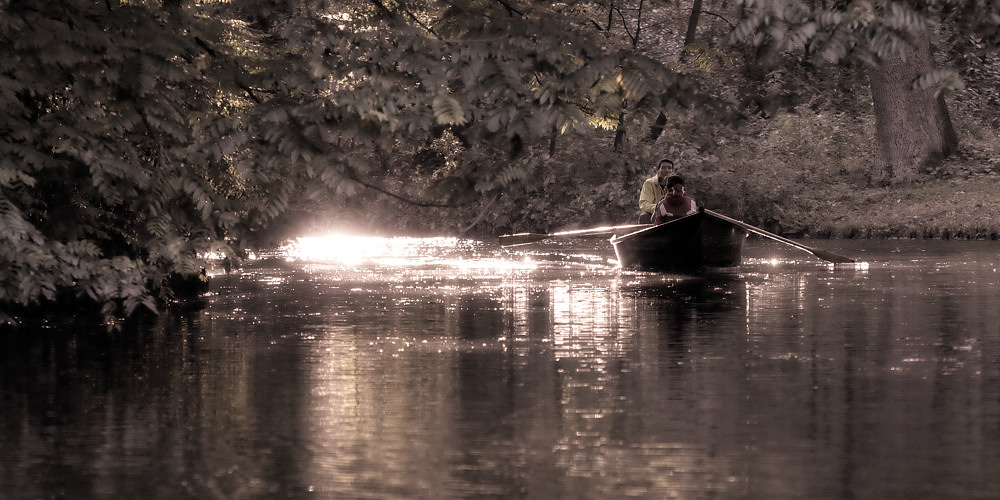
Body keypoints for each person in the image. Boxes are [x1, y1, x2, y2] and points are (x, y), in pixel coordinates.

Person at [637, 159, 674, 224]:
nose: (667, 170)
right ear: (658, 170)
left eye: (669, 168)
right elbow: (644, 204)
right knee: (644, 216)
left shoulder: (676, 183)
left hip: (673, 212)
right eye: (663, 168)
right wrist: (660, 208)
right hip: (655, 212)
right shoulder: (649, 183)